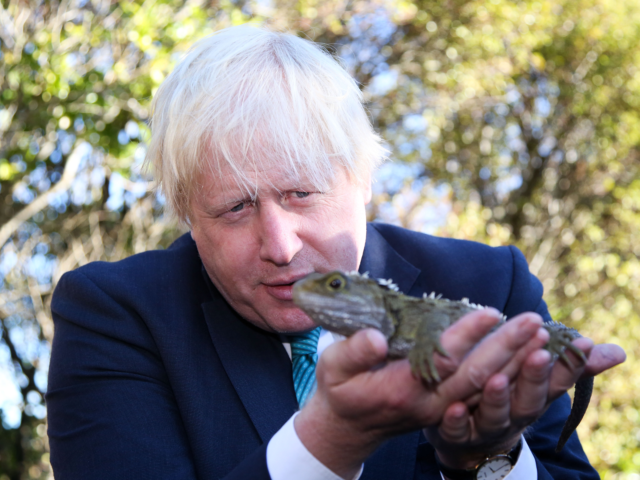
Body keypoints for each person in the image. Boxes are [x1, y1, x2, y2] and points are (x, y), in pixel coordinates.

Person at [46, 26, 625, 479]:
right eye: (234, 209)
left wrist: (487, 456)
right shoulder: (117, 314)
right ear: (187, 217)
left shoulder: (489, 282)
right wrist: (330, 440)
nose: (280, 246)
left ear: (364, 178)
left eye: (301, 193)